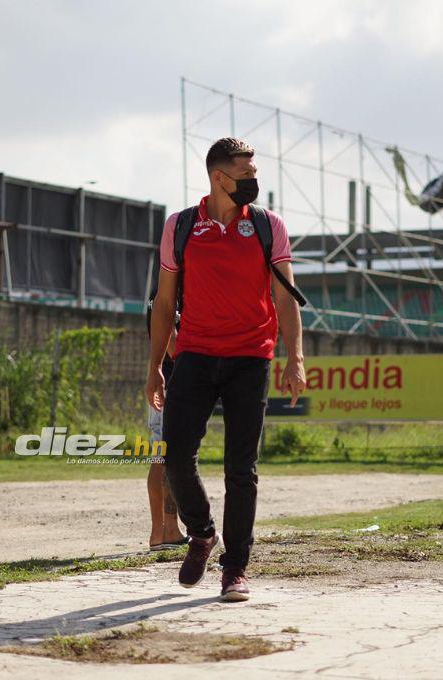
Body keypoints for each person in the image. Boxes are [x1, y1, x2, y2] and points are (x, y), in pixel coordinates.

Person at [145, 137, 306, 603]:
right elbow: (163, 301)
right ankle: (201, 534)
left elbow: (285, 298)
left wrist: (294, 358)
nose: (254, 182)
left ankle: (235, 568)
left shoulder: (266, 225)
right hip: (193, 354)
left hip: (250, 356)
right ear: (220, 177)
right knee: (175, 455)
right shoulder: (180, 226)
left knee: (241, 469)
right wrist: (155, 366)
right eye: (247, 174)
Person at [145, 304, 188, 551]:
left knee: (160, 456)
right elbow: (171, 341)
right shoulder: (170, 291)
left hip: (163, 384)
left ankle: (160, 532)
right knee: (167, 458)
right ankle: (168, 530)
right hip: (172, 385)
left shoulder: (163, 290)